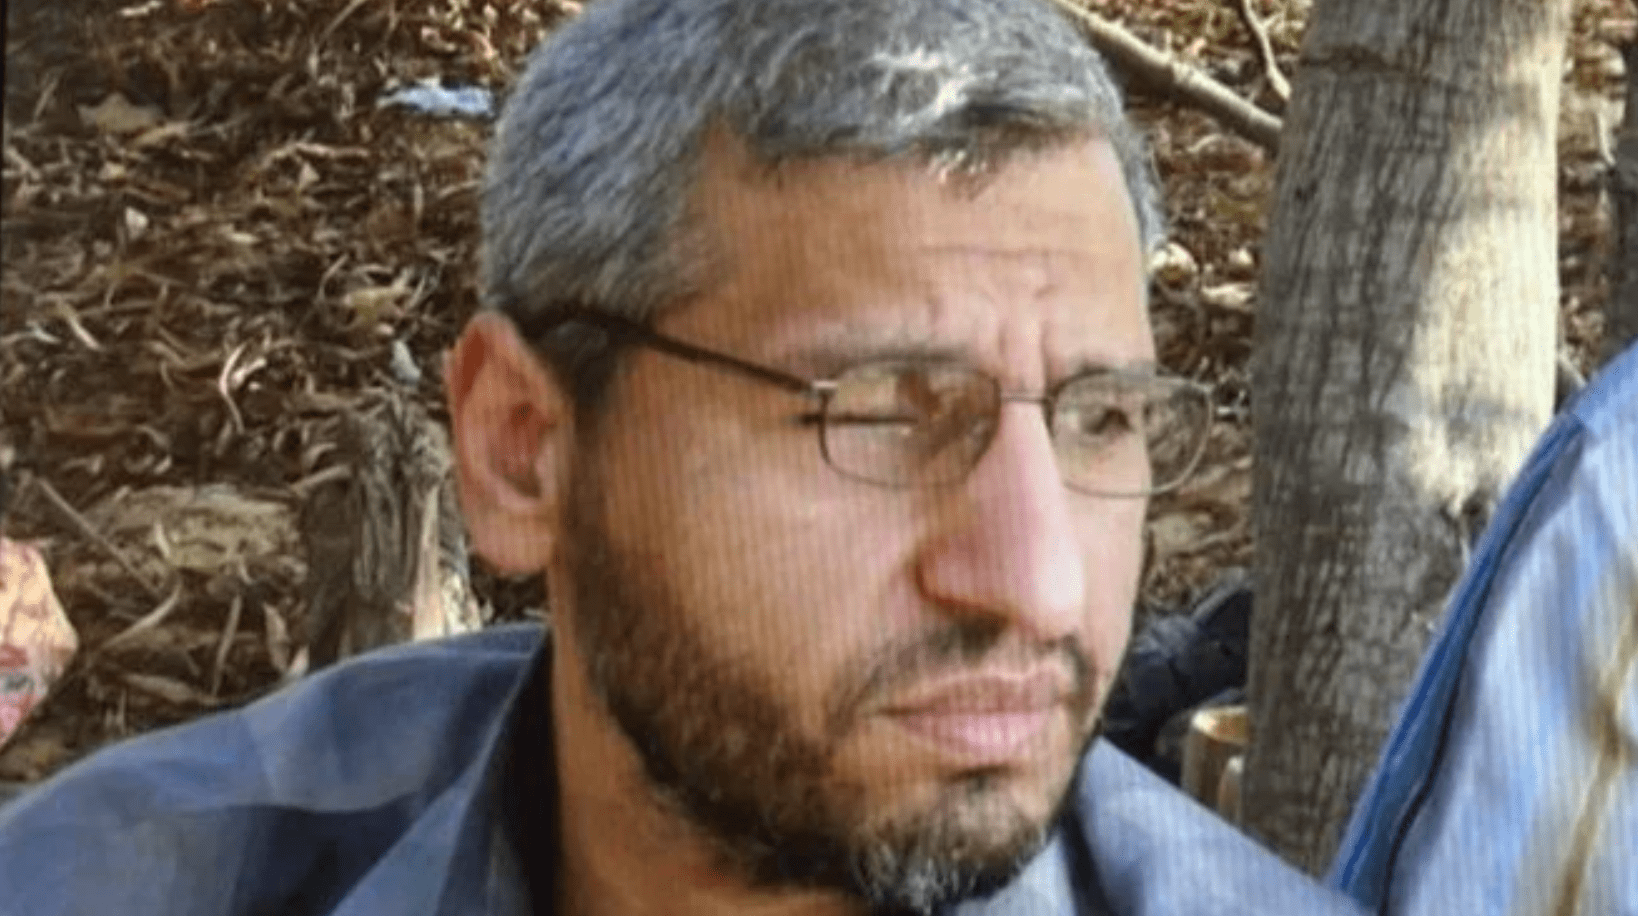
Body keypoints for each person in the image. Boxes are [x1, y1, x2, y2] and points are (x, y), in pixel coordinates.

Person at [0, 1, 1368, 913]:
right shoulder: (112, 880)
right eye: (881, 415)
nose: (1039, 585)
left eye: (1099, 419)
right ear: (524, 451)